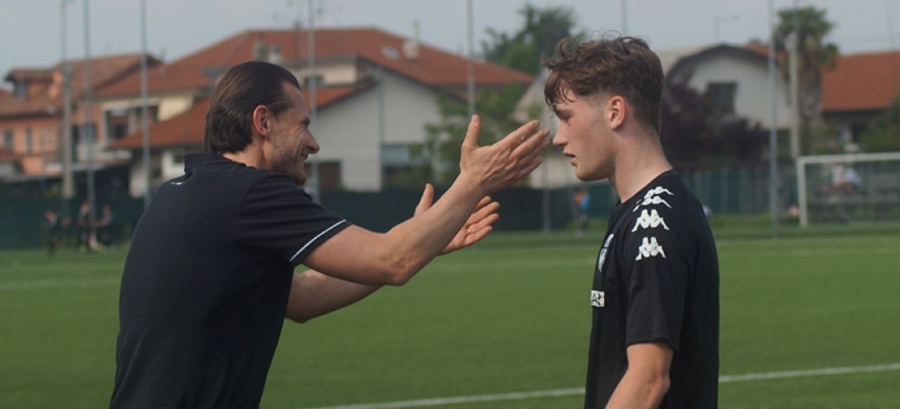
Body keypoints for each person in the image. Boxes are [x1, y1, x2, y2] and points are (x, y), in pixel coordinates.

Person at [109, 61, 549, 409]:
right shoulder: (253, 192)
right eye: (303, 124)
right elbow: (393, 260)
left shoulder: (184, 191)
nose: (314, 143)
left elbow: (300, 299)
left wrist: (425, 242)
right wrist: (475, 180)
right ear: (263, 122)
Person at [543, 36, 719, 409]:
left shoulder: (654, 222)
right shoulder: (637, 212)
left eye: (567, 117)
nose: (559, 137)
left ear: (615, 112)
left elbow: (649, 379)